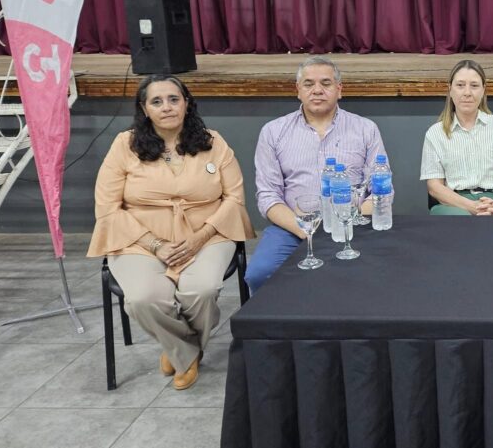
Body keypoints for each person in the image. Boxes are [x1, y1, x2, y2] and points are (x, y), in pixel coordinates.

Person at [87, 75, 255, 390]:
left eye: (174, 99)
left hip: (208, 234)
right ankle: (185, 351)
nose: (167, 107)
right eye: (157, 101)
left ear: (186, 103)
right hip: (139, 238)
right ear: (144, 109)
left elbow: (234, 198)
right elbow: (107, 207)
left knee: (202, 290)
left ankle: (176, 348)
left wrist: (200, 238)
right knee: (142, 299)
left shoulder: (213, 142)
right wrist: (155, 244)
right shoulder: (124, 145)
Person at [247, 55, 388, 292]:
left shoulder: (365, 129)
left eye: (326, 83)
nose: (317, 90)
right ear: (298, 91)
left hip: (352, 227)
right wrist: (304, 228)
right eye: (309, 84)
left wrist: (346, 221)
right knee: (260, 274)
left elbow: (382, 192)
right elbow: (268, 196)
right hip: (293, 227)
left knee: (376, 275)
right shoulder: (273, 132)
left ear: (339, 90)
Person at [421, 60, 493, 215]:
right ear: (450, 89)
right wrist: (472, 206)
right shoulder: (435, 133)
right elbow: (434, 187)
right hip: (454, 205)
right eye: (460, 85)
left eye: (474, 86)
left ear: (483, 90)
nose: (467, 93)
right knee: (463, 223)